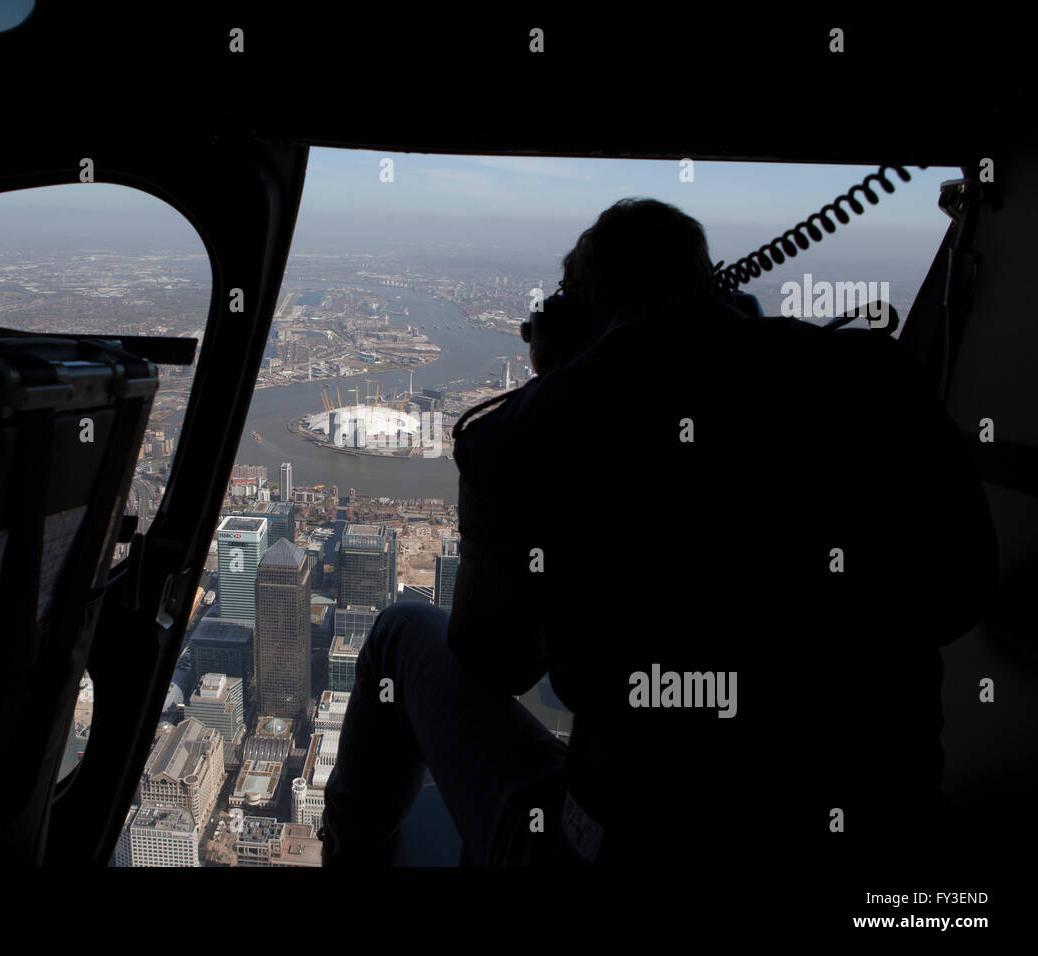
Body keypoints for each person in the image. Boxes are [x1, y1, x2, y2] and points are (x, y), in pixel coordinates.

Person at [320, 198, 998, 868]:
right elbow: (961, 593)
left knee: (400, 633)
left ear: (580, 308)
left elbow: (492, 660)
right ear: (714, 283)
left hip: (628, 848)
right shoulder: (873, 378)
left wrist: (557, 379)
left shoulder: (528, 433)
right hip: (886, 845)